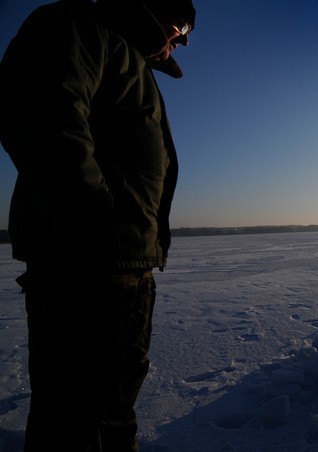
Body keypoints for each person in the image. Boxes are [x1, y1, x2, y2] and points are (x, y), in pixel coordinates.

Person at [0, 0, 195, 450]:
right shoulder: (80, 26)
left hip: (123, 266)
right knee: (74, 420)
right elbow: (43, 114)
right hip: (86, 268)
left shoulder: (129, 59)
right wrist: (90, 219)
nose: (183, 40)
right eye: (182, 26)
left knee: (111, 411)